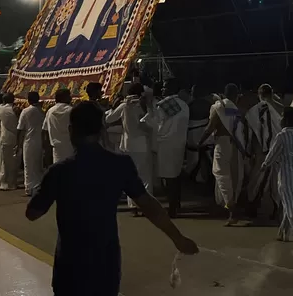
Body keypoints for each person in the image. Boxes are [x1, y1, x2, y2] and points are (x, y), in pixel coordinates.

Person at [26, 101, 198, 296]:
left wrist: (43, 187)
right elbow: (149, 205)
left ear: (71, 130)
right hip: (105, 263)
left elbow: (32, 213)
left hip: (70, 265)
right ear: (101, 130)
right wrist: (178, 238)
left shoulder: (58, 172)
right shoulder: (120, 165)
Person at [198, 83, 249, 225]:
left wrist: (199, 142)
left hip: (223, 144)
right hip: (237, 146)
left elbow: (210, 128)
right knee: (234, 178)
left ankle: (232, 212)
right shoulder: (236, 110)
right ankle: (230, 207)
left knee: (221, 175)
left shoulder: (219, 107)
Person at [258, 107, 293, 250]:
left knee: (290, 207)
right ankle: (282, 232)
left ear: (286, 120)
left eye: (282, 116)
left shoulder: (282, 136)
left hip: (285, 176)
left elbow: (272, 155)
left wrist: (264, 165)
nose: (280, 119)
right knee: (292, 205)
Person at [105, 82, 157, 206]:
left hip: (128, 144)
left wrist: (113, 106)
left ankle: (133, 205)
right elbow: (153, 120)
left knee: (131, 175)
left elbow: (109, 119)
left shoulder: (124, 105)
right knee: (145, 176)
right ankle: (146, 204)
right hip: (143, 143)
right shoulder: (144, 104)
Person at [244, 83, 283, 215]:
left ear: (259, 95)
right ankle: (276, 208)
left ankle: (253, 205)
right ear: (271, 93)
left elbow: (252, 134)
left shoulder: (253, 111)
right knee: (277, 181)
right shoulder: (281, 108)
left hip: (262, 150)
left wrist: (249, 151)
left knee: (257, 179)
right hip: (279, 149)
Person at [155, 79, 190, 218]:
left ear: (171, 88)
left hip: (166, 144)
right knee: (176, 175)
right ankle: (176, 203)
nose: (163, 90)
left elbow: (157, 124)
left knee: (167, 177)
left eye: (165, 87)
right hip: (180, 144)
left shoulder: (163, 105)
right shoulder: (184, 105)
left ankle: (172, 208)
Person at [18, 91, 46, 195]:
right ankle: (37, 186)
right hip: (39, 141)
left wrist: (19, 143)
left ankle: (29, 188)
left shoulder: (25, 111)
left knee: (28, 165)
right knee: (38, 165)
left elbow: (20, 129)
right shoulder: (41, 112)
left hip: (28, 141)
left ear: (28, 100)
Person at [185, 85, 214, 184]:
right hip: (205, 137)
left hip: (193, 137)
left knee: (194, 160)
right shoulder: (209, 105)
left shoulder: (189, 105)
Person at [0, 93, 19, 191]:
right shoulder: (15, 110)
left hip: (4, 136)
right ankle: (11, 183)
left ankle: (3, 182)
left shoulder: (0, 110)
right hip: (14, 137)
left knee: (4, 161)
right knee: (13, 161)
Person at [43, 87, 74, 163]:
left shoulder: (50, 111)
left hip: (56, 148)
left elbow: (44, 130)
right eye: (69, 96)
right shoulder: (71, 110)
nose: (71, 98)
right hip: (70, 147)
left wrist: (46, 148)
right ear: (64, 98)